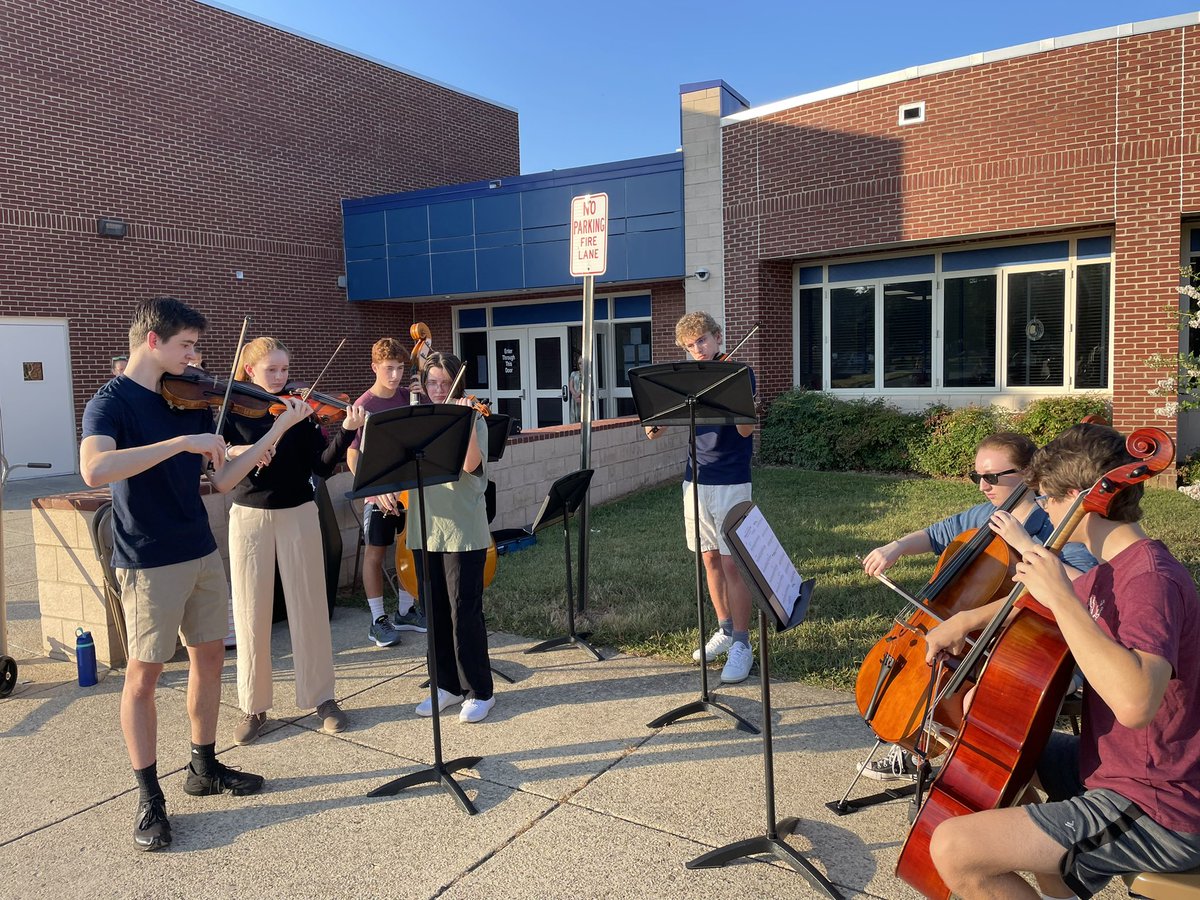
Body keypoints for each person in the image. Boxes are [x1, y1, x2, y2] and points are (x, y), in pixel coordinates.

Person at [926, 423, 1200, 900]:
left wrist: (1060, 597)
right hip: (1118, 766)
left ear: (1078, 498)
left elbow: (1137, 704)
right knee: (999, 741)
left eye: (1049, 499)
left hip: (1160, 803)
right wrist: (967, 620)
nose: (1046, 513)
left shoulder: (1150, 581)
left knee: (955, 847)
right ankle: (1060, 877)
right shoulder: (1119, 567)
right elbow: (1062, 590)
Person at [80, 297, 312, 852]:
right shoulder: (110, 402)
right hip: (147, 557)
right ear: (153, 341)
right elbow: (94, 469)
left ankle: (203, 767)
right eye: (186, 345)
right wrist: (182, 443)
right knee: (144, 678)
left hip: (200, 549)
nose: (194, 357)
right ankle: (148, 796)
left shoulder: (193, 399)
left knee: (210, 660)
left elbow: (226, 479)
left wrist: (278, 429)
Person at [858, 431, 1097, 781]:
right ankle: (917, 750)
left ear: (1027, 474)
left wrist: (1026, 544)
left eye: (992, 477)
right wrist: (895, 547)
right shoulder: (986, 514)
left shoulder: (1056, 524)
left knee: (977, 694)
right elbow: (936, 534)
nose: (983, 486)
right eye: (977, 477)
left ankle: (984, 774)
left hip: (1039, 645)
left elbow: (1086, 588)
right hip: (980, 635)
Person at [221, 337, 369, 746]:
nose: (281, 378)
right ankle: (253, 706)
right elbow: (217, 458)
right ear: (250, 371)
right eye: (272, 370)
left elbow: (321, 464)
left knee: (310, 606)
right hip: (249, 516)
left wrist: (346, 431)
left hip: (300, 512)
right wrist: (241, 450)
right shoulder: (232, 409)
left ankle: (322, 698)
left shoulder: (300, 411)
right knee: (251, 612)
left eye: (284, 369)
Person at [379, 352, 495, 723]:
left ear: (457, 383)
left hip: (462, 529)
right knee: (435, 613)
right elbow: (397, 463)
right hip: (424, 528)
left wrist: (464, 420)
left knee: (464, 613)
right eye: (432, 382)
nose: (439, 389)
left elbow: (471, 465)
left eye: (446, 382)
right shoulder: (418, 421)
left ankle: (479, 691)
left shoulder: (473, 417)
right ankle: (446, 685)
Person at [645, 311, 757, 684]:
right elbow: (657, 430)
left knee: (732, 564)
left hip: (731, 480)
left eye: (703, 341)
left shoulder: (739, 373)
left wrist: (732, 401)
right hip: (695, 480)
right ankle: (724, 630)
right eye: (691, 346)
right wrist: (657, 423)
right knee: (709, 559)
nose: (699, 350)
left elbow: (746, 431)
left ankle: (742, 643)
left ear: (718, 337)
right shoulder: (688, 382)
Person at [345, 337, 425, 648]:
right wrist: (375, 489)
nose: (395, 375)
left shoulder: (409, 397)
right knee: (375, 553)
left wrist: (423, 396)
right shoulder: (364, 405)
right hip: (379, 492)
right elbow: (353, 455)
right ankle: (378, 619)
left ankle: (405, 611)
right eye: (389, 368)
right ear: (374, 367)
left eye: (400, 369)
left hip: (408, 491)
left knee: (408, 549)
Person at [568, 355, 582, 423]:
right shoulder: (573, 374)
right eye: (580, 363)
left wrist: (580, 395)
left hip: (584, 398)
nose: (581, 365)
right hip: (575, 398)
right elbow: (571, 387)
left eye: (583, 363)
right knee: (575, 419)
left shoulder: (589, 374)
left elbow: (588, 387)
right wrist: (576, 396)